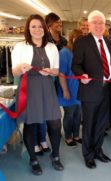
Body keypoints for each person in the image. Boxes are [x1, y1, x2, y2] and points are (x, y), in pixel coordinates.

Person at [11, 14, 63, 175]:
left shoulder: (52, 47)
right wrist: (21, 68)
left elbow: (56, 70)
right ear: (28, 28)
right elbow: (14, 71)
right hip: (29, 88)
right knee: (31, 124)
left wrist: (51, 71)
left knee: (55, 123)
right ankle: (33, 159)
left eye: (40, 26)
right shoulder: (20, 46)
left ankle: (55, 155)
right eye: (33, 26)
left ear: (45, 28)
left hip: (47, 87)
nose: (37, 29)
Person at [72, 10, 111, 169]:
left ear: (105, 25)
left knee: (101, 124)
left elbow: (109, 64)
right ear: (89, 25)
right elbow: (75, 65)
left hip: (106, 90)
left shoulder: (108, 42)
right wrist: (82, 75)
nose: (98, 25)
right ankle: (88, 155)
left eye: (101, 23)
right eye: (94, 22)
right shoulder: (81, 42)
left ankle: (98, 150)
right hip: (90, 90)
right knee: (89, 124)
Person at [57, 29, 83, 147]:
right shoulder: (64, 53)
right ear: (71, 39)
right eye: (76, 38)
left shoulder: (80, 52)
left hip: (79, 90)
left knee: (78, 114)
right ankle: (68, 136)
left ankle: (76, 135)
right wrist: (65, 90)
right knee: (69, 114)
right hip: (68, 89)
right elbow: (61, 74)